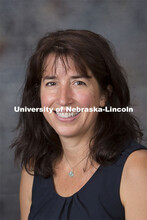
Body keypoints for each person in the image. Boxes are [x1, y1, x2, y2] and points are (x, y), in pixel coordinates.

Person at [11, 30, 147, 220]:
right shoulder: (34, 169)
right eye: (51, 83)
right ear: (38, 94)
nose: (63, 99)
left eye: (78, 83)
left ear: (104, 95)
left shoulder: (137, 168)